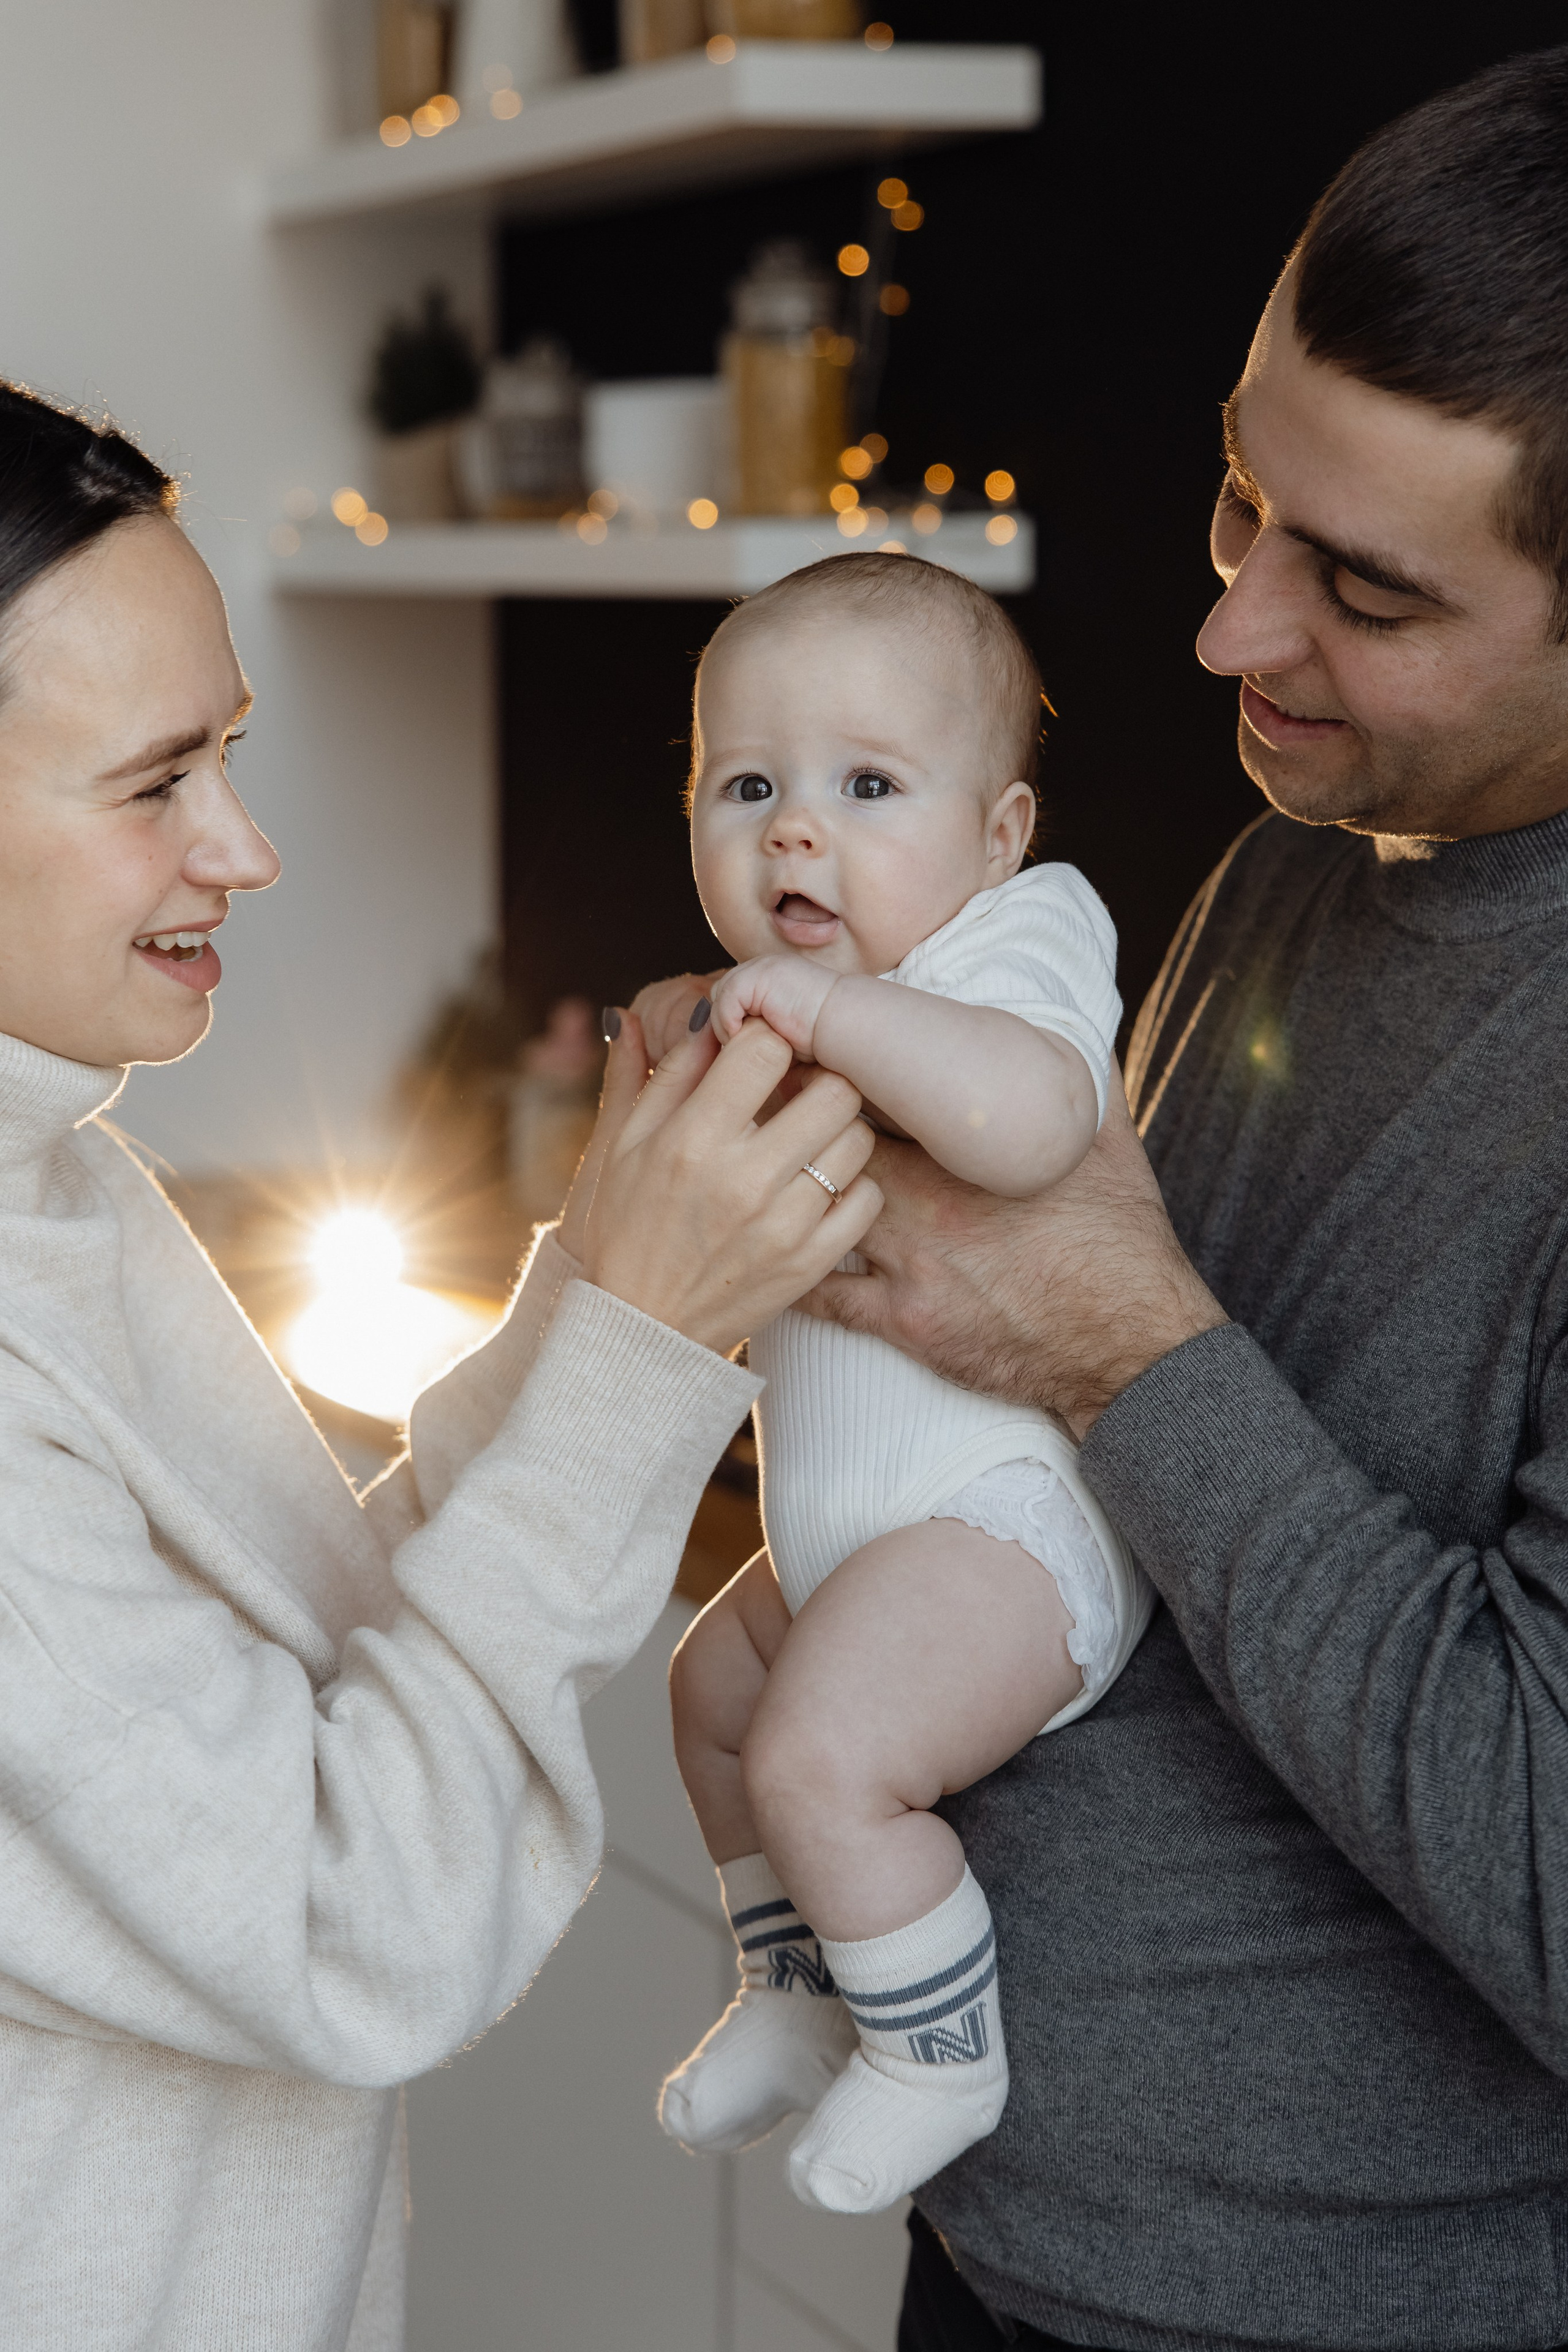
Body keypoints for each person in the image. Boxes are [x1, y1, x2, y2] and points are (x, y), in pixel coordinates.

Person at [791, 48, 1568, 2352]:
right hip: (1011, 2263)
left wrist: (1119, 1340)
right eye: (1243, 504)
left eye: (1365, 588)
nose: (1228, 631)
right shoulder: (1293, 872)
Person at [0, 381, 880, 2350]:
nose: (246, 847)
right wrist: (640, 1354)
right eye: (156, 784)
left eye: (229, 751)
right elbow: (350, 1917)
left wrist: (600, 1292)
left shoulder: (56, 1164)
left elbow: (294, 1656)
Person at [649, 555, 1150, 2215]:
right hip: (856, 1543)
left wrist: (826, 1010)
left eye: (868, 786)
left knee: (815, 1752)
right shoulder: (795, 1003)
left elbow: (1025, 1126)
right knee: (711, 1702)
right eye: (749, 786)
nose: (799, 830)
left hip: (1007, 1534)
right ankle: (794, 1990)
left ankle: (936, 2052)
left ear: (998, 832)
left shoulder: (1012, 945)